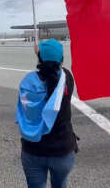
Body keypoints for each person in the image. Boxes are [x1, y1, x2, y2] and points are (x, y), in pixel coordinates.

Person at [16, 39, 78, 188]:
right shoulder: (66, 78)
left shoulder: (28, 82)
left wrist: (39, 53)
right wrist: (42, 54)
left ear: (39, 59)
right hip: (62, 149)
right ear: (61, 60)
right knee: (60, 184)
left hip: (33, 150)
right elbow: (54, 71)